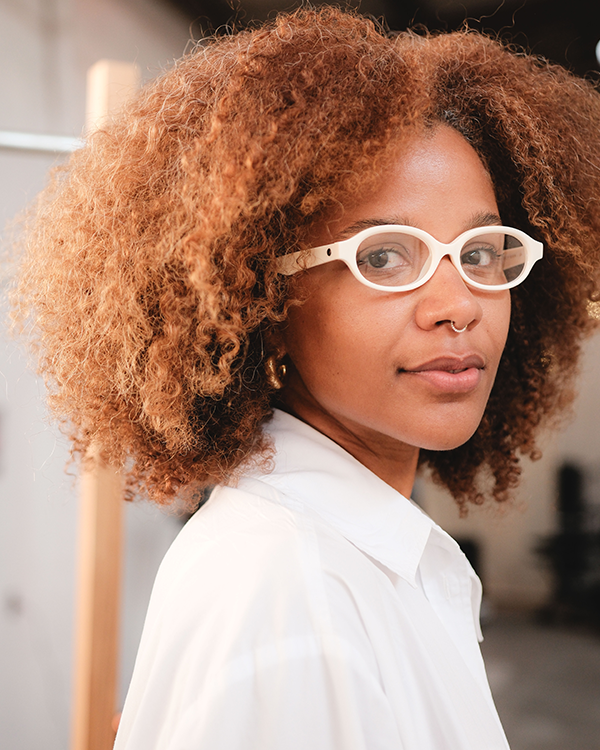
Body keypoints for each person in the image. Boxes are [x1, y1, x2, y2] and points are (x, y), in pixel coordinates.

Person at [12, 7, 600, 750]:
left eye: (481, 252)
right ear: (259, 300)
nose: (459, 306)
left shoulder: (358, 560)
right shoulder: (291, 603)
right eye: (384, 256)